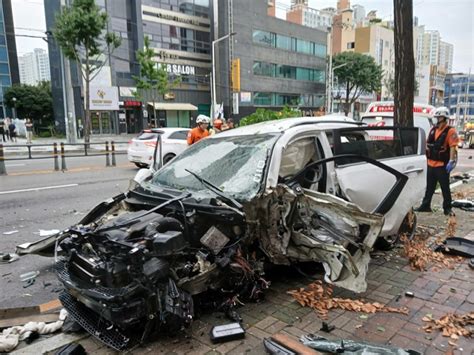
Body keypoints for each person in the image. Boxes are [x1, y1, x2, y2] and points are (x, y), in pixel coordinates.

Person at [415, 106, 459, 216]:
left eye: (438, 117)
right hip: (431, 164)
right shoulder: (433, 130)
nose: (436, 119)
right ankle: (426, 205)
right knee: (429, 187)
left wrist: (451, 161)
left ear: (444, 118)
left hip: (442, 165)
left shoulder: (450, 131)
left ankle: (447, 208)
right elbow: (428, 144)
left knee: (445, 188)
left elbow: (453, 146)